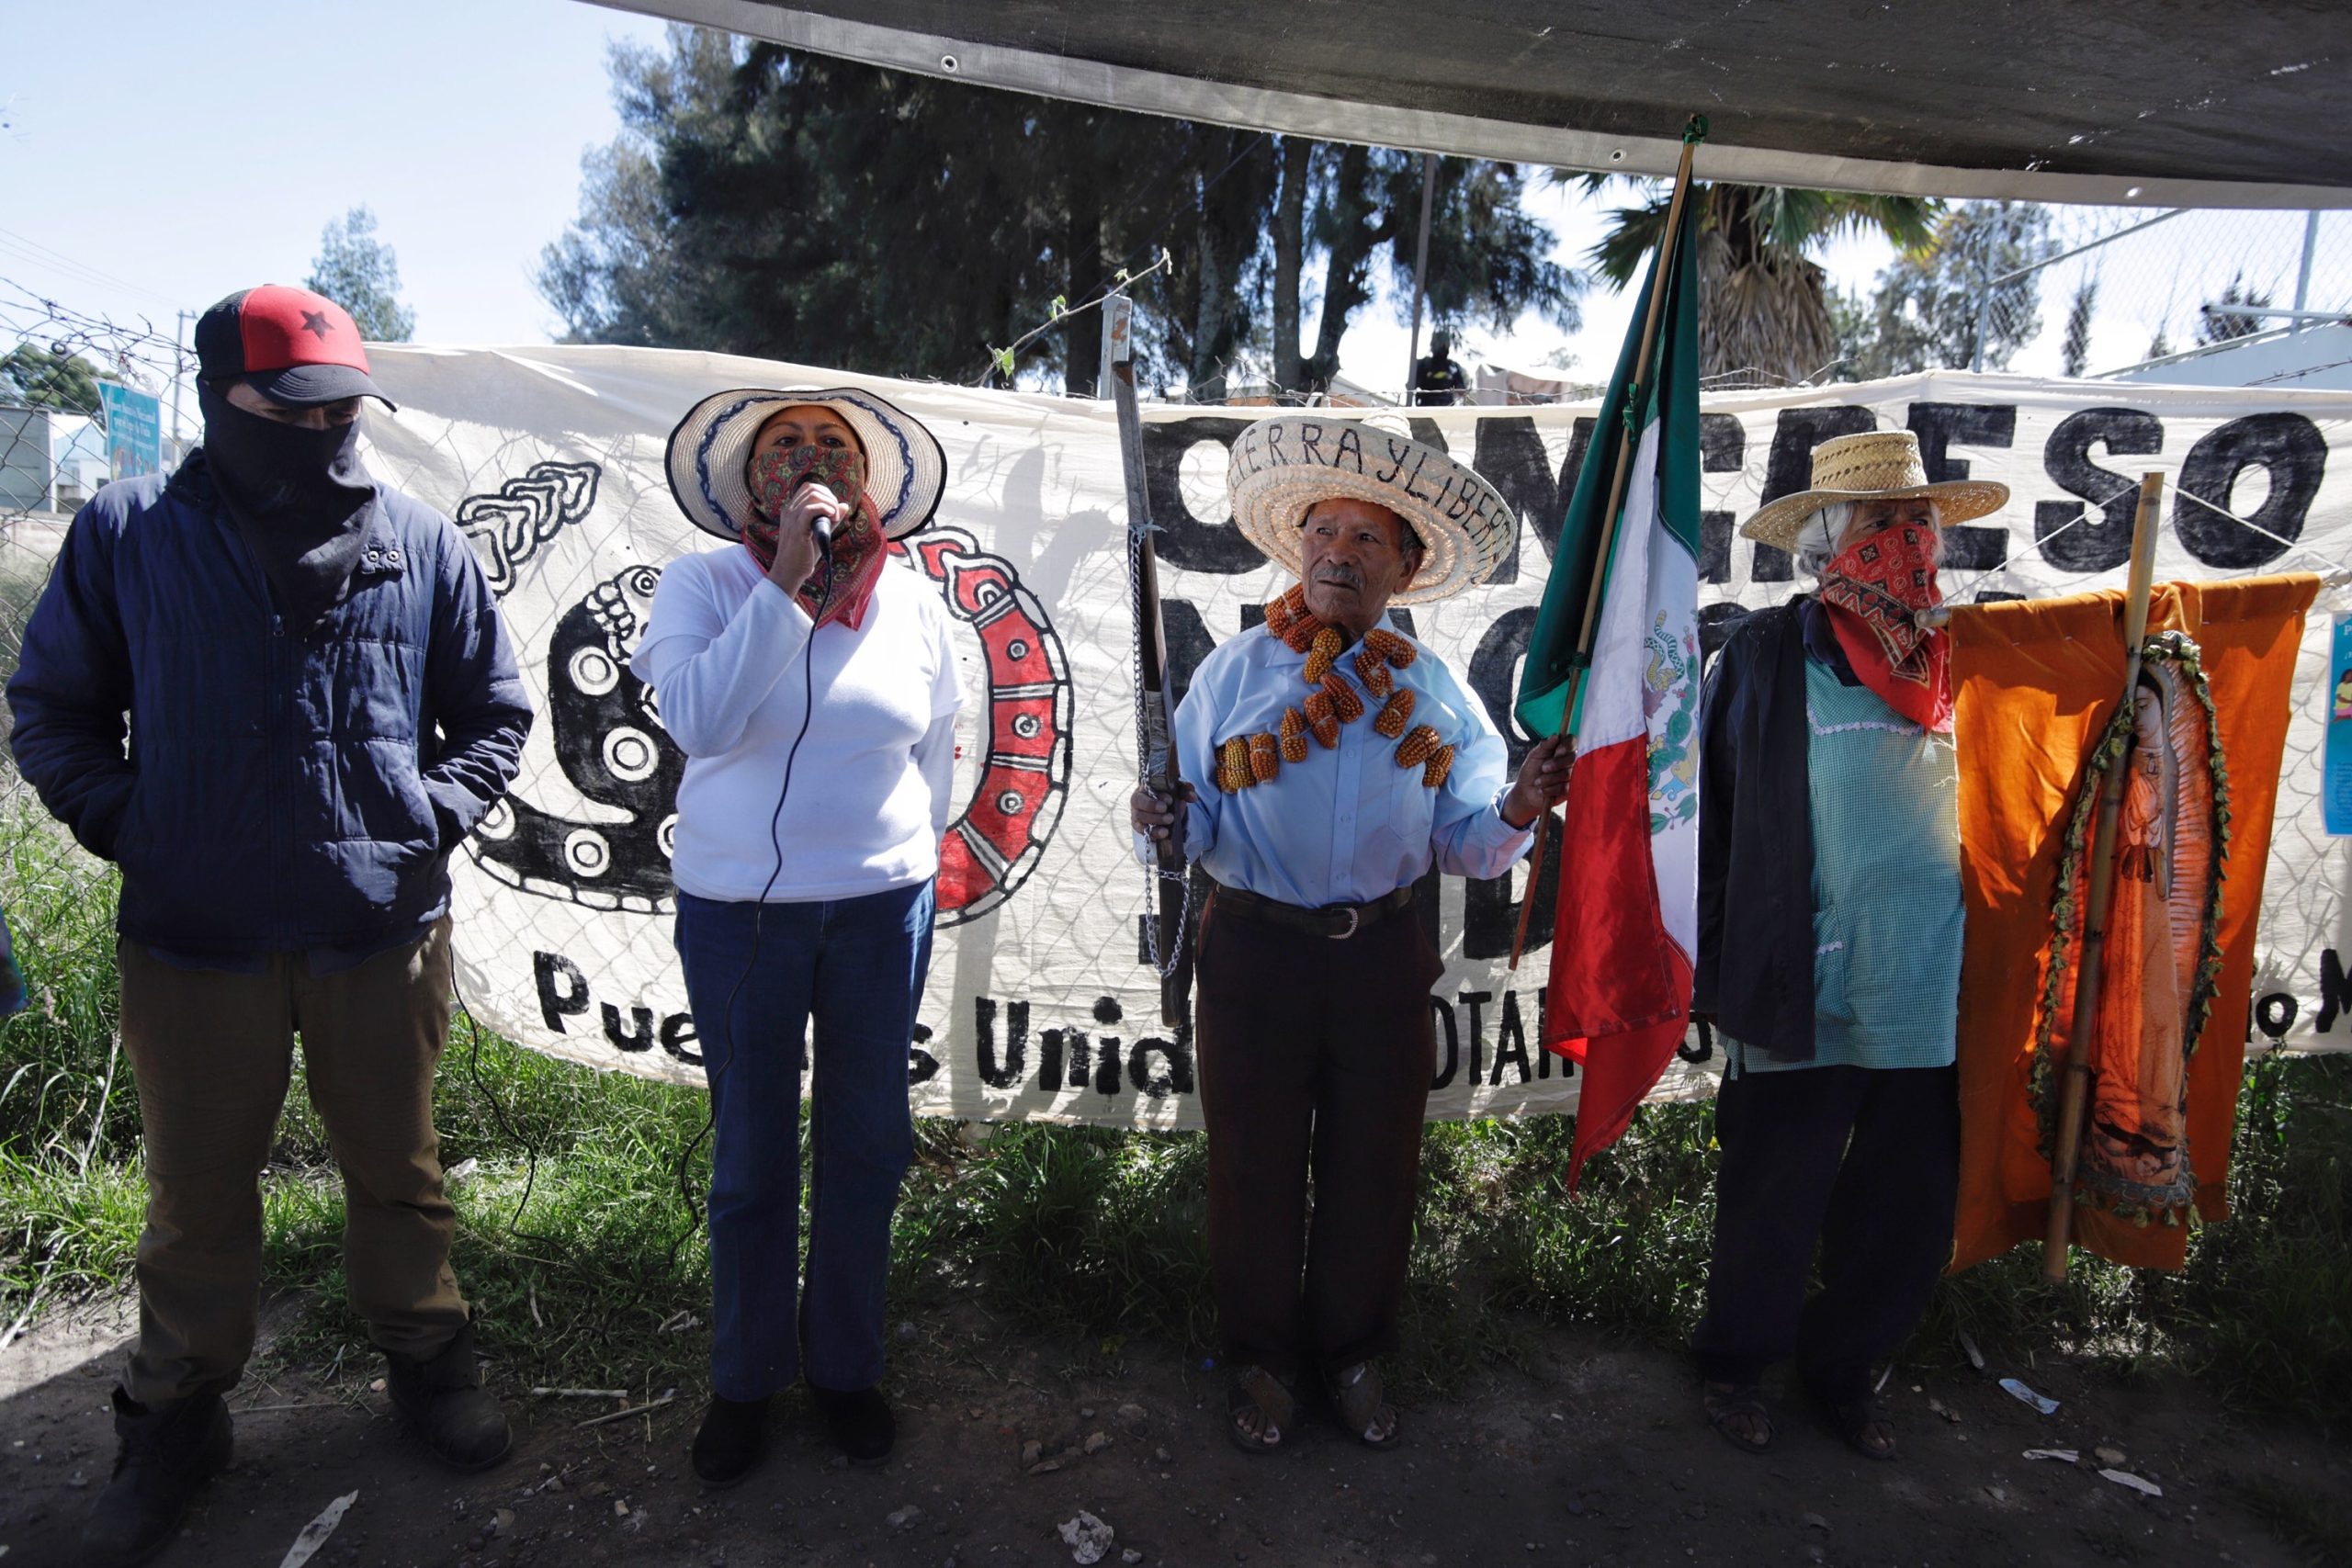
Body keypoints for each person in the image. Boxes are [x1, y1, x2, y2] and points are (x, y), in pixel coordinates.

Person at [6, 284, 534, 1565]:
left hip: (380, 926)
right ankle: (179, 1416)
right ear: (220, 397)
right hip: (196, 936)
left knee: (398, 1174)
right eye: (292, 404)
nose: (327, 426)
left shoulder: (418, 538)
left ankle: (426, 1363)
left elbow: (497, 712)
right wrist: (137, 824)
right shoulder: (131, 531)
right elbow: (53, 709)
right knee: (195, 1200)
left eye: (344, 403)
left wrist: (425, 815)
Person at [1131, 413, 1572, 1453]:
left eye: (1365, 538)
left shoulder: (1436, 694)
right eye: (1322, 533)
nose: (1337, 552)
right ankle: (1260, 1360)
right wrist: (1158, 819)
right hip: (1251, 952)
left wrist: (1516, 807)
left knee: (1377, 1164)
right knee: (1253, 1164)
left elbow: (1465, 844)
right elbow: (1188, 820)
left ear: (1405, 569)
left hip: (1379, 955)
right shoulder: (1235, 674)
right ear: (1298, 552)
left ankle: (1354, 1354)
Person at [630, 387, 961, 1485]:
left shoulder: (912, 600)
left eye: (832, 447)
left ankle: (845, 1370)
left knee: (868, 1145)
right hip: (740, 917)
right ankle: (744, 1381)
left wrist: (898, 854)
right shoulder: (703, 583)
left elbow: (938, 745)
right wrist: (782, 585)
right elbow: (702, 720)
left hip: (879, 909)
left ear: (866, 481)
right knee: (751, 1159)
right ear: (746, 480)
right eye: (785, 446)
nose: (810, 460)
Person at [1689, 429, 2007, 1462]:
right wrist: (1718, 964)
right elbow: (1714, 815)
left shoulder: (1977, 654)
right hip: (1802, 974)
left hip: (1931, 982)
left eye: (1918, 524)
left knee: (1905, 1211)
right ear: (1828, 541)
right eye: (1879, 525)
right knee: (1772, 1195)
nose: (1904, 543)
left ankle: (1846, 1372)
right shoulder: (1766, 655)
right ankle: (1738, 1369)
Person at [1410, 329, 1468, 406]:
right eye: (1439, 343)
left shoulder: (1453, 367)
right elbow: (1410, 387)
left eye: (1445, 344)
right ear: (1432, 344)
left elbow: (1462, 391)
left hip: (1446, 410)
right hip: (1426, 410)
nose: (1442, 347)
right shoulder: (1423, 364)